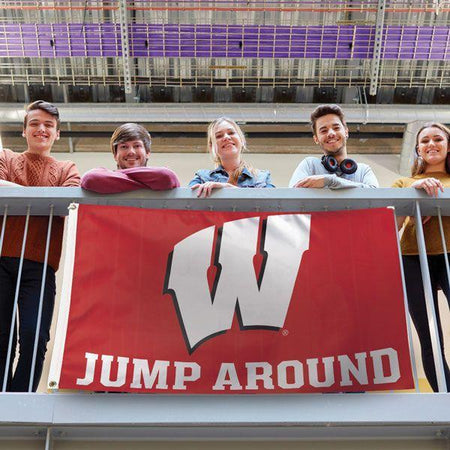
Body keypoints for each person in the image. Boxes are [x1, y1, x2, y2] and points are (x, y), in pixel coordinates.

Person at [0, 100, 80, 392]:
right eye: (34, 123)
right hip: (1, 259)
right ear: (24, 131)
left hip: (40, 264)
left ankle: (19, 397)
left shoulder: (66, 166)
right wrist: (42, 197)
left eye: (48, 125)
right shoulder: (6, 158)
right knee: (1, 336)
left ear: (57, 134)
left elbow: (68, 202)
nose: (41, 129)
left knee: (35, 336)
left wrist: (19, 196)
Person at [393, 122, 450, 392]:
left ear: (448, 146)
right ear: (418, 149)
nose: (431, 144)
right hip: (413, 258)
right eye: (424, 141)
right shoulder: (406, 182)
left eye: (437, 139)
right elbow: (393, 223)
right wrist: (415, 195)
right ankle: (445, 396)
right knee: (429, 337)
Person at [289, 104, 379, 189]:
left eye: (336, 128)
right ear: (316, 139)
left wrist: (330, 181)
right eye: (324, 131)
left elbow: (376, 195)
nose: (331, 133)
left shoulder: (363, 171)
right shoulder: (310, 166)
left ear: (346, 132)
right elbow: (290, 196)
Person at [81, 123, 180, 193]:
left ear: (147, 152)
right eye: (124, 147)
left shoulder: (161, 177)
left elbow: (166, 176)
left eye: (137, 146)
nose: (131, 152)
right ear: (115, 155)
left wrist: (116, 174)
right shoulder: (99, 175)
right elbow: (90, 178)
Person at [189, 117, 275, 197]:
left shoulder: (262, 178)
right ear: (212, 147)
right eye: (219, 136)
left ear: (241, 140)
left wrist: (229, 188)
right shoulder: (202, 178)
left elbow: (272, 205)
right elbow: (186, 201)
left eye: (231, 133)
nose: (226, 137)